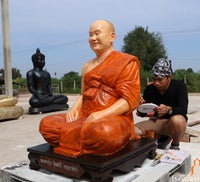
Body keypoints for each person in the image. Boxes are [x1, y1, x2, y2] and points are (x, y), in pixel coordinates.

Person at [39, 19, 141, 158]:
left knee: (103, 132)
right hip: (85, 116)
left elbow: (130, 100)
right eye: (90, 35)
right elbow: (83, 94)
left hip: (114, 118)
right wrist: (74, 109)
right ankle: (84, 141)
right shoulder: (87, 65)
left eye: (97, 33)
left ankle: (94, 140)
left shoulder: (126, 61)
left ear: (112, 37)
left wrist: (101, 114)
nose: (93, 38)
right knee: (47, 124)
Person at [134, 58, 188, 150]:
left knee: (178, 120)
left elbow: (183, 109)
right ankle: (155, 141)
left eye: (160, 79)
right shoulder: (150, 89)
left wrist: (169, 109)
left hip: (171, 123)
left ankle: (175, 145)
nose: (156, 83)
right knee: (132, 131)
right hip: (155, 121)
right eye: (154, 79)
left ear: (169, 77)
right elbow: (143, 114)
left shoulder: (179, 86)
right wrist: (139, 107)